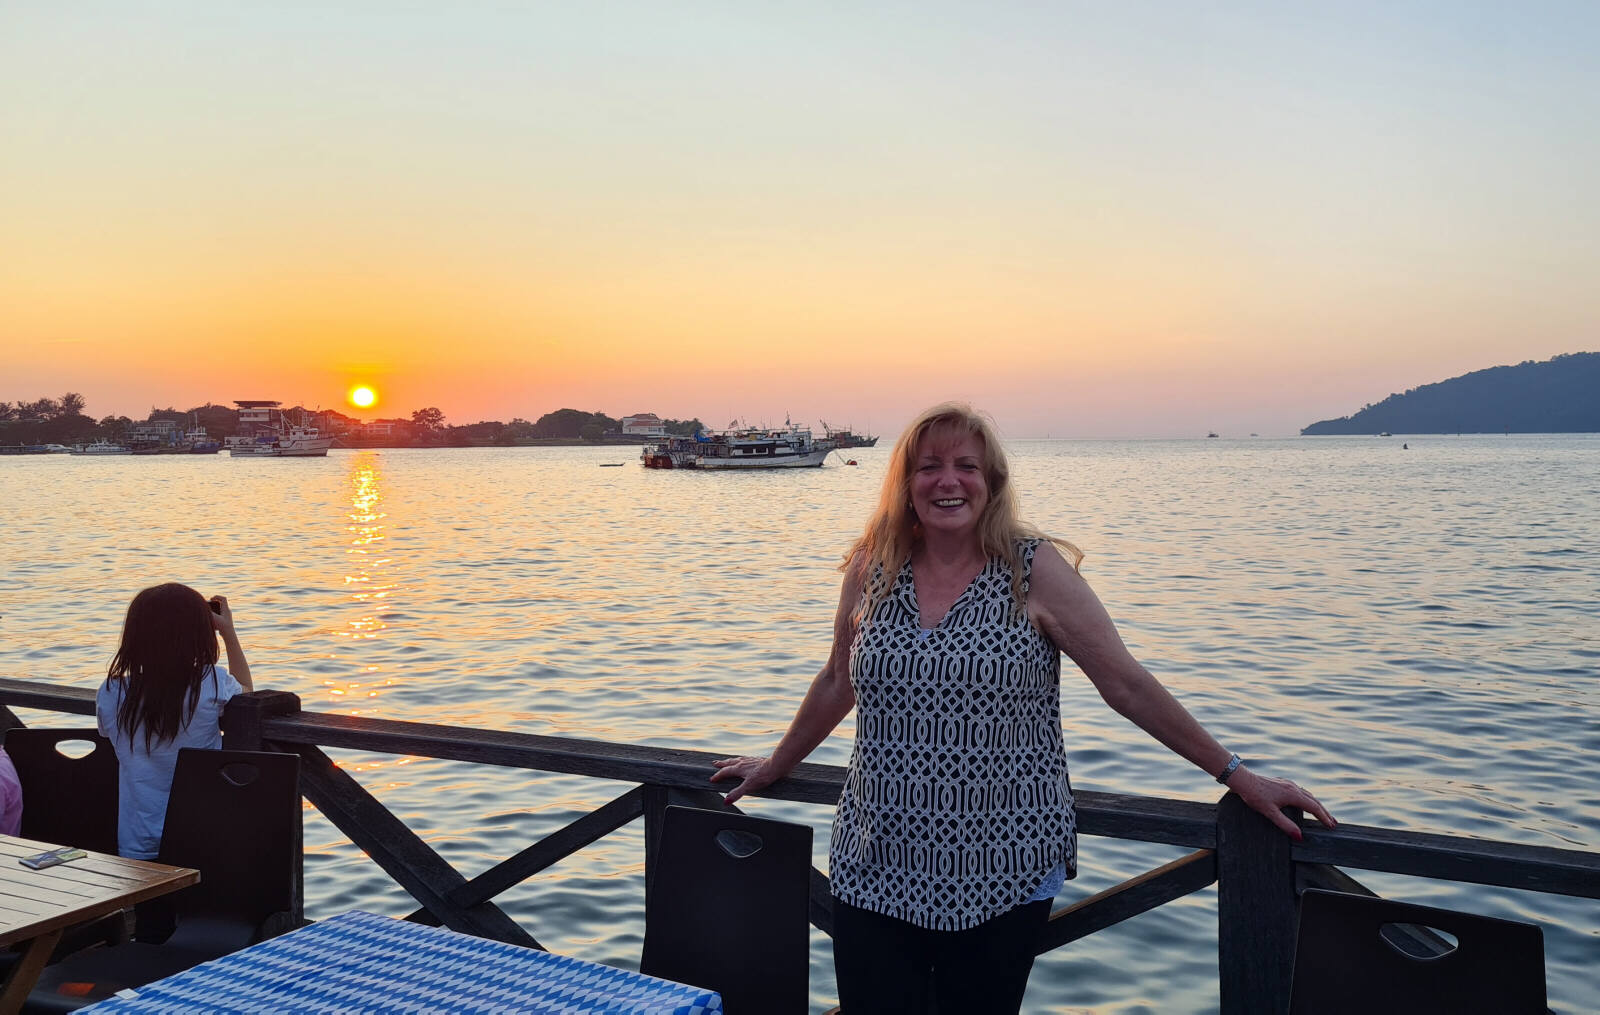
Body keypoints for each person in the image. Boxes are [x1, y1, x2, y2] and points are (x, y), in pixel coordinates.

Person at [711, 402, 1336, 1014]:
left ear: (992, 484)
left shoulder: (1033, 570)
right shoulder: (873, 567)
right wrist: (774, 764)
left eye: (967, 466)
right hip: (876, 856)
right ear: (905, 484)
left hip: (1002, 862)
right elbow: (836, 681)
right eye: (928, 466)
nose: (948, 480)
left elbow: (1126, 685)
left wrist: (1239, 777)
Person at [97, 583, 253, 862]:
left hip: (138, 841)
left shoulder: (111, 692)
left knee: (149, 906)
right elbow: (247, 696)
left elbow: (108, 736)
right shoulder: (211, 682)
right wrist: (229, 632)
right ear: (201, 634)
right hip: (203, 834)